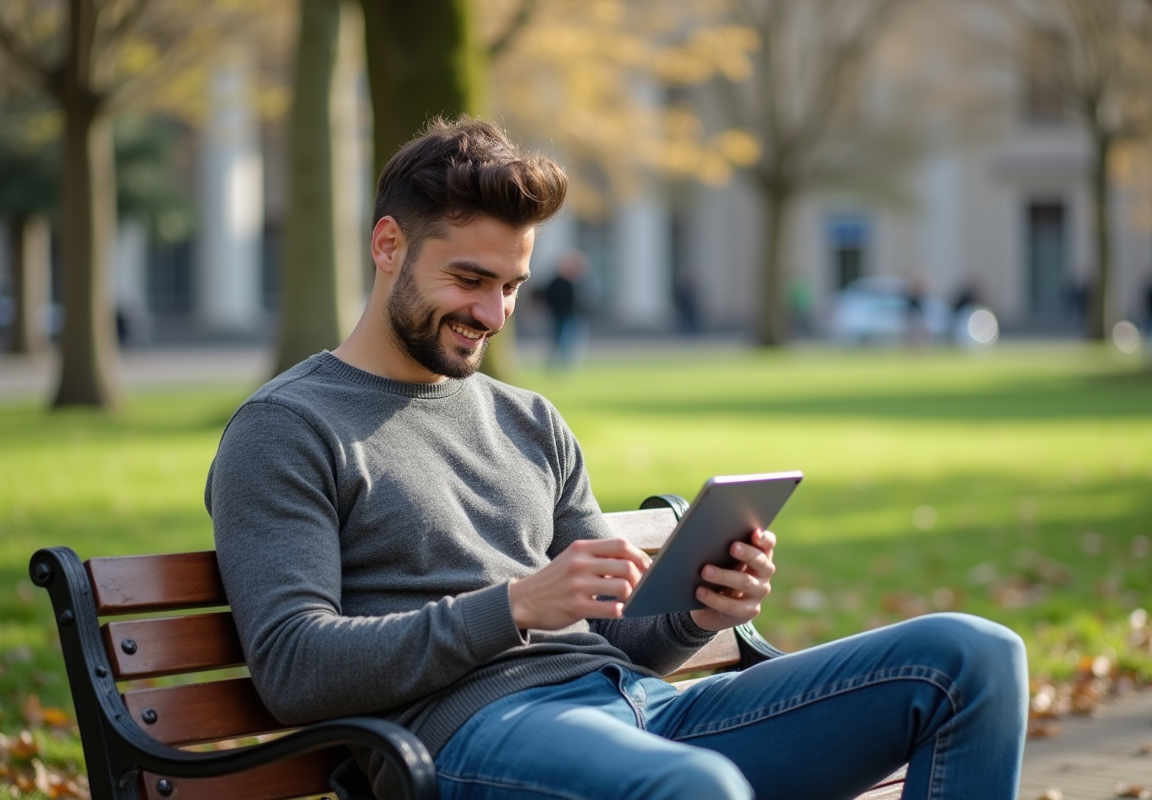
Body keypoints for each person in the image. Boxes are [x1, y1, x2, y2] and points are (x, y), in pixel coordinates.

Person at [207, 116, 1028, 800]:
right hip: (463, 741)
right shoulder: (287, 428)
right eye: (470, 279)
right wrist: (515, 604)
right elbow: (295, 666)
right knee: (695, 790)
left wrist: (698, 612)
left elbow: (612, 635)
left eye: (514, 285)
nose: (494, 312)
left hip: (635, 707)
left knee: (976, 657)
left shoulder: (528, 419)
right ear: (388, 244)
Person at [540, 249, 590, 367]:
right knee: (560, 339)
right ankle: (557, 363)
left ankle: (564, 363)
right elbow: (550, 297)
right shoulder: (557, 282)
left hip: (569, 314)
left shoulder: (572, 282)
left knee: (567, 339)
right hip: (560, 315)